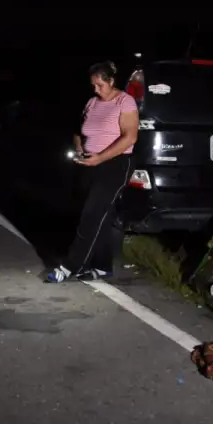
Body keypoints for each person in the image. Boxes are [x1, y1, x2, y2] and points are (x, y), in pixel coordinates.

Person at [46, 60, 139, 283]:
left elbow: (130, 137)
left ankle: (71, 266)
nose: (96, 90)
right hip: (89, 164)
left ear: (111, 81)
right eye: (93, 86)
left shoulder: (125, 102)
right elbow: (80, 130)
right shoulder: (92, 102)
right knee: (101, 217)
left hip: (115, 164)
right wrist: (80, 148)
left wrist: (100, 157)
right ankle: (103, 266)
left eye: (100, 85)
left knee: (91, 215)